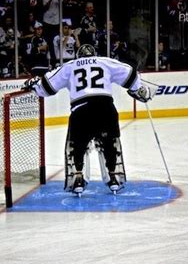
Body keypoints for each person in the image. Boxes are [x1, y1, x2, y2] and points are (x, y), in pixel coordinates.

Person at [23, 44, 153, 196]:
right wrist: (138, 88)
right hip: (105, 108)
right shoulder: (104, 61)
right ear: (93, 54)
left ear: (79, 56)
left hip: (81, 110)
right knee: (110, 142)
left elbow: (47, 86)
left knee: (77, 145)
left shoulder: (70, 66)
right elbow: (130, 74)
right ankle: (113, 177)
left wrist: (33, 85)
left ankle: (78, 177)